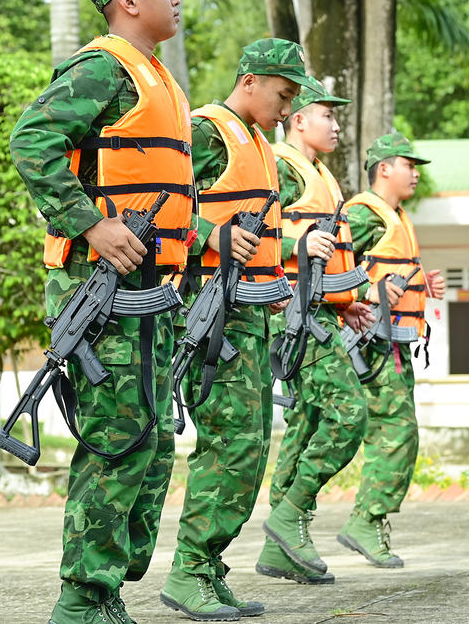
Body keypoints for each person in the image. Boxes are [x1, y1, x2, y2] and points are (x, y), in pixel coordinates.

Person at [10, 0, 196, 624]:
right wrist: (89, 224)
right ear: (128, 0)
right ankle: (82, 601)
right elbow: (31, 140)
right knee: (116, 439)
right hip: (103, 289)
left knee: (151, 441)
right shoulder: (103, 69)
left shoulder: (159, 82)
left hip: (150, 293)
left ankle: (108, 588)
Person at [161, 38, 309, 621]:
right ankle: (189, 570)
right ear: (249, 81)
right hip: (209, 309)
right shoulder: (207, 132)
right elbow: (158, 199)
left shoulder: (258, 143)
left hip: (248, 314)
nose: (288, 109)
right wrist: (205, 234)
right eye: (282, 94)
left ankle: (208, 565)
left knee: (246, 447)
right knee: (228, 443)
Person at [256, 76, 372, 585]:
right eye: (328, 114)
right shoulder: (280, 165)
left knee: (305, 425)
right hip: (294, 315)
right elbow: (252, 229)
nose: (337, 124)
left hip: (320, 312)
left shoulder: (321, 173)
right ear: (299, 119)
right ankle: (289, 515)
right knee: (349, 415)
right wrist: (292, 254)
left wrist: (343, 303)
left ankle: (282, 545)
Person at [341, 132, 444, 568]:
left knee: (399, 434)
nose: (415, 173)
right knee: (396, 434)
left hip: (394, 347)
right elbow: (335, 267)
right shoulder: (366, 215)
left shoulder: (396, 217)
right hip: (373, 344)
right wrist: (367, 295)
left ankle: (365, 520)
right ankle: (365, 521)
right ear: (384, 168)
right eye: (409, 164)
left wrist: (420, 285)